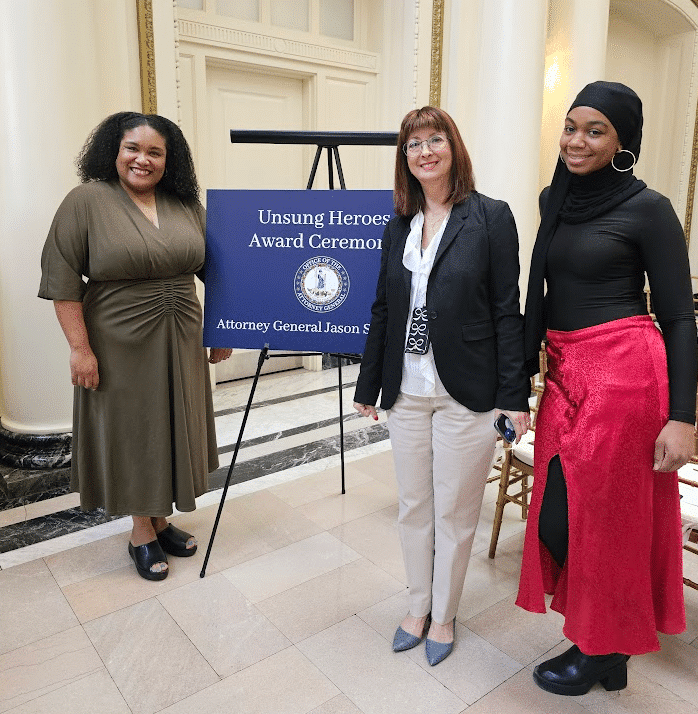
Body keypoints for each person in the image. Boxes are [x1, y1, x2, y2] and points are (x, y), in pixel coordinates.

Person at [517, 81, 697, 695]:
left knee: (603, 521)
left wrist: (682, 415)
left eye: (595, 131)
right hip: (567, 373)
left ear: (623, 144)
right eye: (571, 127)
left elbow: (677, 316)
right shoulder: (554, 197)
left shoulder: (650, 207)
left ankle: (598, 647)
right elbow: (541, 290)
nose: (576, 141)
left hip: (625, 375)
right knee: (557, 518)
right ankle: (611, 646)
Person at [353, 106, 530, 666]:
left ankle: (445, 614)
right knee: (413, 505)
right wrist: (368, 383)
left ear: (454, 147)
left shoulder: (492, 218)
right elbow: (384, 308)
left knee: (454, 510)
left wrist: (513, 396)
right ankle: (417, 603)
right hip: (407, 388)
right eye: (412, 145)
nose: (424, 151)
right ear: (403, 159)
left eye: (435, 140)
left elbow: (508, 313)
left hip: (467, 391)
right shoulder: (397, 226)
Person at [39, 112, 232, 581]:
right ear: (114, 151)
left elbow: (220, 266)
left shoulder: (184, 203)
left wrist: (223, 327)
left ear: (170, 160)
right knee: (134, 430)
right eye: (133, 148)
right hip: (118, 339)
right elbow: (63, 281)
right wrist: (79, 349)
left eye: (154, 152)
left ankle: (162, 519)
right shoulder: (86, 200)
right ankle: (141, 530)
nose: (142, 159)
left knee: (172, 423)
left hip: (182, 333)